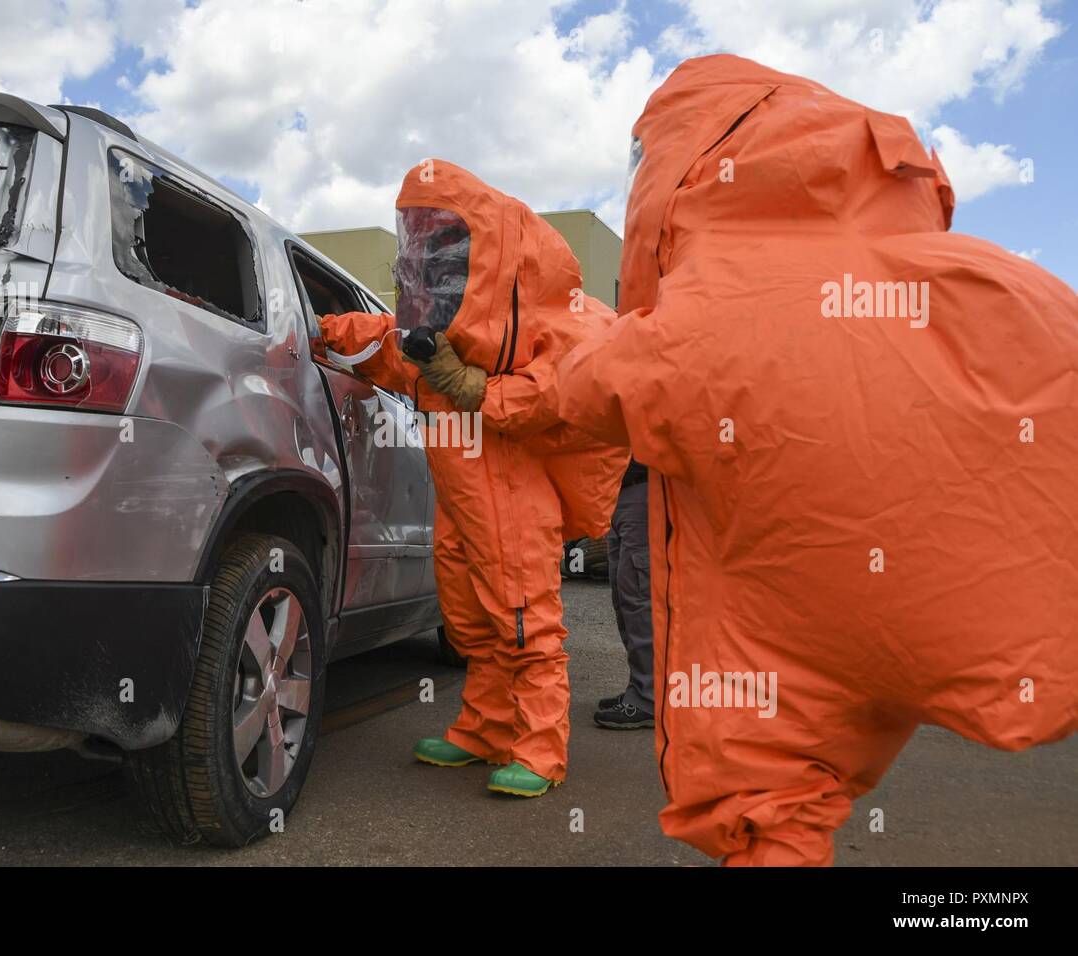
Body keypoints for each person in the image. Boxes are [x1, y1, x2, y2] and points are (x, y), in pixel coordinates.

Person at [558, 54, 1078, 863]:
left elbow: (601, 388)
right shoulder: (985, 283)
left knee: (773, 794)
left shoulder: (724, 300)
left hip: (775, 632)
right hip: (904, 607)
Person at [318, 159, 626, 797]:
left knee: (524, 621)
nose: (429, 263)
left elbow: (556, 395)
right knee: (471, 622)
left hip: (514, 497)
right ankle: (484, 729)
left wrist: (472, 387)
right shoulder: (429, 345)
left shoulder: (546, 336)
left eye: (445, 249)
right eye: (423, 247)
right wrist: (314, 333)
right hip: (460, 505)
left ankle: (541, 749)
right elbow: (376, 342)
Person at [594, 458, 654, 730]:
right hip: (619, 491)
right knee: (625, 597)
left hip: (643, 489)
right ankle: (639, 687)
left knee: (640, 600)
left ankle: (649, 696)